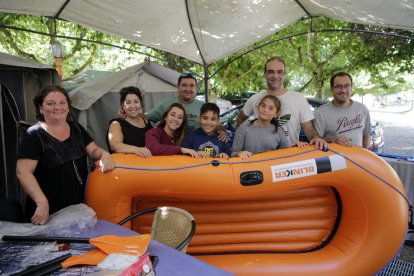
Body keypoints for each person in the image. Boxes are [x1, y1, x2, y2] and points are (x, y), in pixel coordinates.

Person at [16, 85, 114, 225]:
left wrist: (105, 154)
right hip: (47, 213)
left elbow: (93, 151)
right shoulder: (34, 135)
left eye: (62, 102)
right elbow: (23, 172)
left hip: (78, 210)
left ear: (68, 107)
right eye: (51, 103)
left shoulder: (76, 128)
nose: (57, 107)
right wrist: (41, 202)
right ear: (41, 108)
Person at [236, 56, 327, 150]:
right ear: (265, 75)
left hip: (288, 158)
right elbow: (240, 119)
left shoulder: (298, 98)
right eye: (271, 72)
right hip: (259, 159)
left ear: (284, 75)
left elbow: (309, 130)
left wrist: (316, 138)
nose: (275, 76)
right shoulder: (254, 99)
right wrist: (245, 139)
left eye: (280, 72)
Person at [232, 95, 308, 160]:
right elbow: (233, 154)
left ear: (276, 114)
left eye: (270, 108)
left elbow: (285, 153)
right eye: (263, 106)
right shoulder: (244, 128)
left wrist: (295, 146)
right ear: (258, 108)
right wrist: (239, 153)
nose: (265, 110)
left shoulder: (279, 131)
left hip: (271, 172)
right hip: (249, 173)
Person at [314, 72, 372, 149]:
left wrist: (365, 155)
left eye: (347, 86)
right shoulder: (321, 113)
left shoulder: (362, 109)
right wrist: (334, 140)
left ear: (351, 88)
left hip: (357, 159)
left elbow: (366, 135)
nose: (343, 90)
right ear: (331, 89)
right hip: (334, 160)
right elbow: (316, 140)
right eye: (338, 86)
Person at [107, 86, 152, 157]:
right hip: (126, 166)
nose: (132, 106)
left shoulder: (145, 121)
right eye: (128, 103)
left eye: (136, 102)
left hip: (147, 165)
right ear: (123, 106)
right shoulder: (116, 124)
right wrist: (137, 149)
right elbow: (115, 145)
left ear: (141, 104)